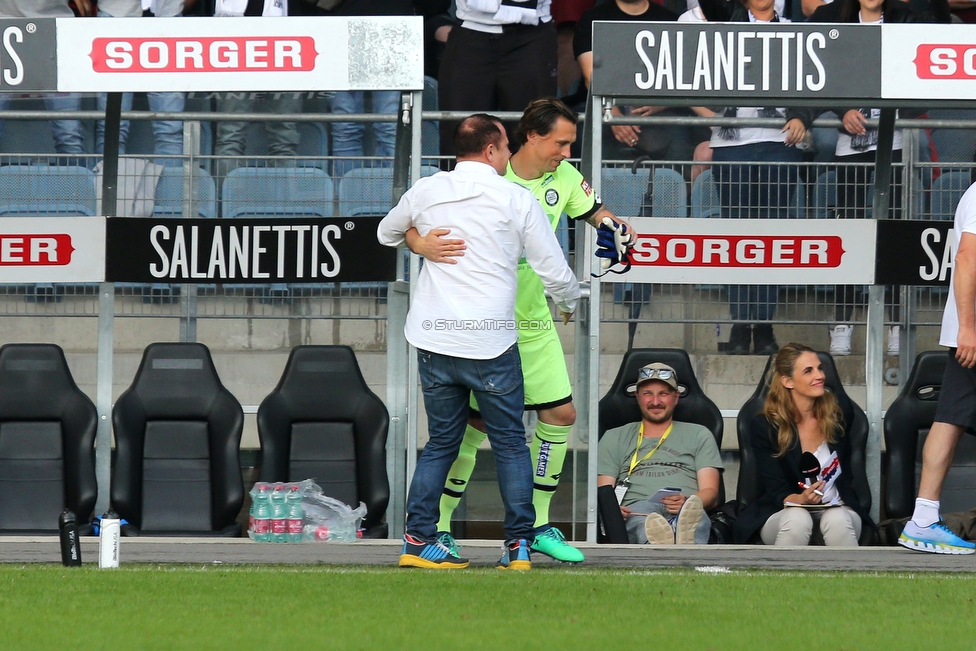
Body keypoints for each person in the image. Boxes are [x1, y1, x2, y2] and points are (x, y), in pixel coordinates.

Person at [408, 98, 628, 564]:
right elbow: (407, 223)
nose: (566, 152)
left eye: (571, 143)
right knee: (474, 426)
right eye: (561, 143)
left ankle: (538, 525)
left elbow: (597, 215)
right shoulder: (489, 177)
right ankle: (442, 528)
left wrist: (617, 230)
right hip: (485, 325)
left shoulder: (565, 178)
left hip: (534, 321)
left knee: (561, 415)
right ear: (530, 137)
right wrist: (420, 243)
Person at [378, 114, 580, 570]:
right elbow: (552, 269)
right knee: (510, 444)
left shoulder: (427, 190)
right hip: (489, 341)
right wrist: (568, 302)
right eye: (505, 146)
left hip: (433, 339)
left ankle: (417, 542)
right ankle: (518, 546)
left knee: (441, 442)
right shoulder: (514, 197)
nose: (508, 154)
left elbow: (384, 232)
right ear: (491, 150)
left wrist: (420, 244)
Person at [809, 0, 950, 358]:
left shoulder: (905, 17)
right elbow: (819, 75)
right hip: (850, 151)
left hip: (898, 147)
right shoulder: (834, 19)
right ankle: (842, 323)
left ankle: (895, 325)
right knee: (849, 241)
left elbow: (934, 27)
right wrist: (843, 110)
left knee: (895, 240)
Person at [699, 0, 818, 357]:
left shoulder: (794, 31)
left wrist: (802, 116)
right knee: (737, 237)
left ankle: (764, 324)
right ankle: (739, 323)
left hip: (779, 144)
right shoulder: (728, 19)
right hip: (732, 146)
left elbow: (813, 80)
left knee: (771, 238)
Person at [897, 181, 976, 555]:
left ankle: (924, 519)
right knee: (950, 419)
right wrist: (968, 329)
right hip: (973, 332)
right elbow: (967, 259)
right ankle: (923, 519)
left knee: (951, 418)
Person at [734, 343, 872, 546]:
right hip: (784, 512)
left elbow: (840, 398)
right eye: (809, 371)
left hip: (838, 509)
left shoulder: (839, 416)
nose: (820, 376)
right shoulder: (765, 426)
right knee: (798, 519)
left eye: (820, 368)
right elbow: (775, 487)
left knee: (837, 519)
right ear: (788, 381)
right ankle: (787, 577)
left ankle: (846, 577)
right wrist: (800, 499)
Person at [597, 363, 723, 545]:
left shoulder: (699, 434)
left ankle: (676, 538)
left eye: (663, 394)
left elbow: (711, 492)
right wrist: (615, 512)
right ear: (637, 396)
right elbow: (605, 493)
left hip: (686, 508)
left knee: (695, 520)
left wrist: (689, 502)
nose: (655, 402)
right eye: (648, 393)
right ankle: (670, 545)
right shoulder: (614, 437)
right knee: (645, 526)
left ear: (676, 397)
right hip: (638, 510)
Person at [436, 0, 557, 157]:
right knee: (462, 130)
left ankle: (532, 182)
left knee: (533, 127)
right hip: (470, 28)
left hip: (532, 30)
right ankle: (462, 182)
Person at [213, 0, 302, 182]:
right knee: (231, 134)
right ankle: (226, 202)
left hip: (284, 41)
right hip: (233, 40)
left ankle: (283, 205)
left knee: (284, 136)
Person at [94, 0, 187, 166]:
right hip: (115, 14)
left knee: (170, 128)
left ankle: (169, 191)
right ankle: (110, 191)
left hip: (168, 15)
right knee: (111, 127)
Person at [0, 1, 88, 157]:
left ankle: (74, 182)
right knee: (68, 134)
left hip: (58, 29)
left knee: (68, 133)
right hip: (6, 27)